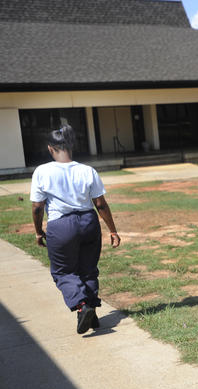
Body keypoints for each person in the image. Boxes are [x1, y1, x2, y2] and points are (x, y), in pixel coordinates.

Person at [30, 124, 121, 334]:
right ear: (71, 146)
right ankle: (90, 312)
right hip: (89, 222)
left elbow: (37, 207)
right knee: (88, 269)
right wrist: (113, 231)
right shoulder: (87, 170)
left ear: (50, 148)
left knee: (63, 272)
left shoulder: (42, 171)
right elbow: (100, 204)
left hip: (61, 226)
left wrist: (38, 231)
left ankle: (82, 306)